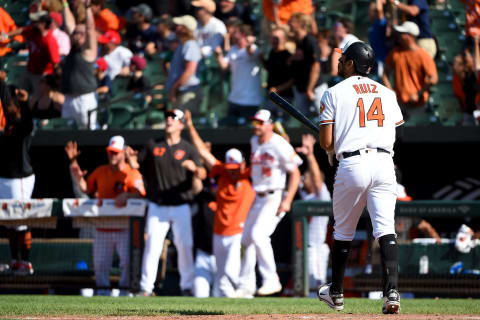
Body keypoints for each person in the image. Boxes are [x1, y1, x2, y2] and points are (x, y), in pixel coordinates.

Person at [317, 40, 404, 314]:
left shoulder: (333, 93)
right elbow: (392, 130)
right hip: (384, 162)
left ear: (352, 63)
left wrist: (332, 151)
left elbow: (326, 141)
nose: (340, 62)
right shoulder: (387, 93)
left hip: (353, 163)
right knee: (385, 228)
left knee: (343, 231)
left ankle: (336, 292)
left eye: (343, 59)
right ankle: (392, 292)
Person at [128, 109, 206, 296]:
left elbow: (203, 173)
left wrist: (194, 168)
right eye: (167, 117)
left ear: (180, 125)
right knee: (153, 245)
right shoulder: (153, 144)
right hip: (158, 205)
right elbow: (138, 165)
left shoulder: (188, 149)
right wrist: (132, 162)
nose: (169, 120)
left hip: (181, 205)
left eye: (173, 118)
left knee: (184, 245)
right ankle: (146, 288)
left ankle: (186, 287)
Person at [185, 109, 256, 297]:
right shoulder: (222, 171)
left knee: (232, 274)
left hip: (237, 233)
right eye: (229, 167)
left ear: (242, 164)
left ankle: (244, 303)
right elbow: (201, 151)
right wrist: (190, 127)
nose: (232, 171)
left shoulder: (250, 175)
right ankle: (222, 311)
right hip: (218, 233)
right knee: (221, 279)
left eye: (235, 168)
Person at [65, 136, 146, 296]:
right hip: (103, 227)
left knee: (128, 264)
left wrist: (127, 196)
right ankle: (103, 295)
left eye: (116, 152)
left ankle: (125, 294)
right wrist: (74, 165)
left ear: (123, 153)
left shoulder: (131, 173)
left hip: (124, 227)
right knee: (101, 266)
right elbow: (85, 188)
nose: (112, 155)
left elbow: (141, 194)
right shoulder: (101, 171)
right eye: (110, 152)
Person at [236, 109, 302, 298]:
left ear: (269, 125)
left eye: (259, 123)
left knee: (258, 235)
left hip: (275, 195)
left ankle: (271, 279)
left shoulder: (279, 144)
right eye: (254, 123)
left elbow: (295, 172)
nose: (255, 126)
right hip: (258, 196)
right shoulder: (254, 141)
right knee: (246, 239)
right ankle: (245, 285)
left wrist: (288, 200)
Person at [0, 80, 35, 275]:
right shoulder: (8, 124)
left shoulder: (22, 124)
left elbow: (28, 124)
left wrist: (25, 103)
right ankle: (15, 260)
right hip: (5, 176)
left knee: (20, 220)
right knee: (9, 221)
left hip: (19, 178)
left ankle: (26, 262)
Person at [382, 21, 438, 125]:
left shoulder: (422, 55)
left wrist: (418, 93)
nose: (400, 36)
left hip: (417, 106)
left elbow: (433, 78)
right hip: (399, 105)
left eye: (403, 34)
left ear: (410, 36)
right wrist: (390, 91)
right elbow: (385, 73)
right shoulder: (395, 53)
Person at [295, 133, 331, 289]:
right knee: (304, 286)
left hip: (316, 248)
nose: (304, 178)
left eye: (306, 176)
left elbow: (316, 179)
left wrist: (310, 155)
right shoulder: (305, 196)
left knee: (316, 285)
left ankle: (321, 314)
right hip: (304, 247)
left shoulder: (321, 194)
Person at [61, 0, 98, 129]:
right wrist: (65, 4)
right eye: (75, 33)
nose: (76, 35)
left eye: (79, 33)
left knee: (88, 132)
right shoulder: (73, 48)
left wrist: (87, 8)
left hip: (85, 99)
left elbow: (90, 28)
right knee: (67, 133)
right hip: (69, 98)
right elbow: (69, 24)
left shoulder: (88, 50)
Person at [215, 24, 264, 119]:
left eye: (234, 33)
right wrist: (219, 55)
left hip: (250, 100)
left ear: (243, 34)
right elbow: (224, 67)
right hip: (234, 99)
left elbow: (252, 53)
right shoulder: (233, 50)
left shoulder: (253, 48)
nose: (231, 35)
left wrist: (249, 44)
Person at [166, 15, 203, 115]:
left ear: (186, 29)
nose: (176, 28)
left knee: (185, 125)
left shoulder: (190, 45)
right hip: (181, 93)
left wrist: (173, 89)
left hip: (187, 94)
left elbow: (189, 71)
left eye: (180, 26)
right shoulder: (182, 45)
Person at [288, 12, 320, 116]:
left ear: (300, 23)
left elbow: (316, 66)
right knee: (302, 119)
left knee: (324, 118)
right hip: (302, 87)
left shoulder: (310, 41)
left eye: (292, 21)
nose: (289, 23)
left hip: (315, 87)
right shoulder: (298, 41)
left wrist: (310, 89)